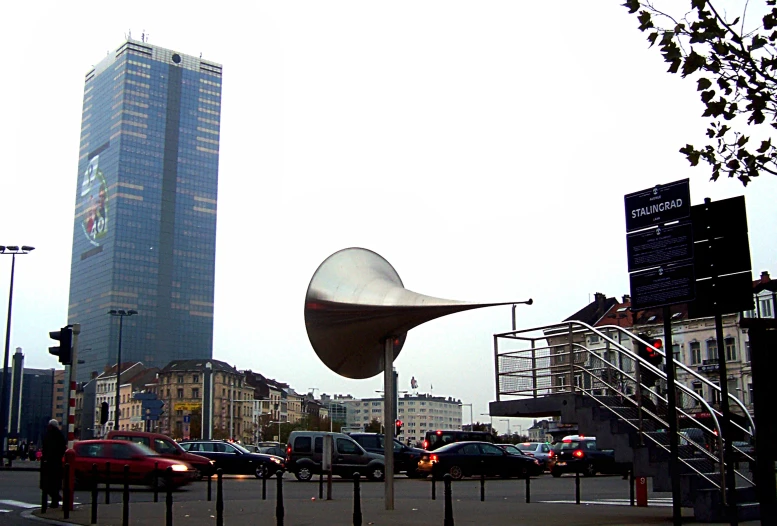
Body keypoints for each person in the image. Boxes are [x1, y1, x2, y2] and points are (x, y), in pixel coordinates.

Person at [41, 419, 66, 508]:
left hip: (50, 462)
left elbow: (46, 447)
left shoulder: (49, 435)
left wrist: (46, 457)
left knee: (47, 484)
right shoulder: (60, 435)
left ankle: (55, 498)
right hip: (56, 462)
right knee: (54, 484)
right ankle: (55, 500)